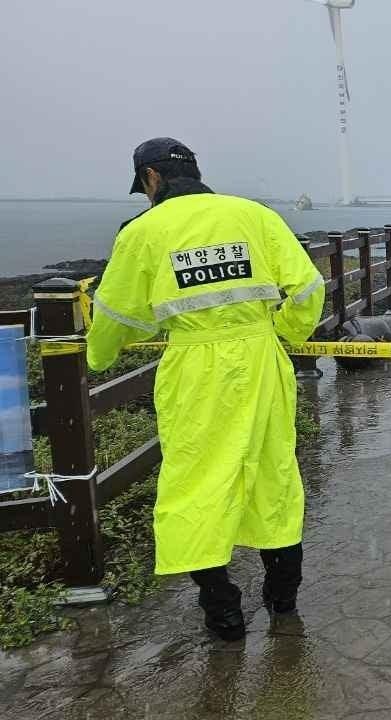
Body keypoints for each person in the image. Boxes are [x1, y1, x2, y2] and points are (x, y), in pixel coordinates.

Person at [86, 138, 324, 641]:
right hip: (261, 360)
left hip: (195, 367)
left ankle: (223, 609)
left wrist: (95, 357)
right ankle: (283, 598)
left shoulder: (144, 232)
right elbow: (307, 287)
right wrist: (284, 331)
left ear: (151, 179)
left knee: (195, 481)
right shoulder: (253, 215)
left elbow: (115, 313)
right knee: (272, 473)